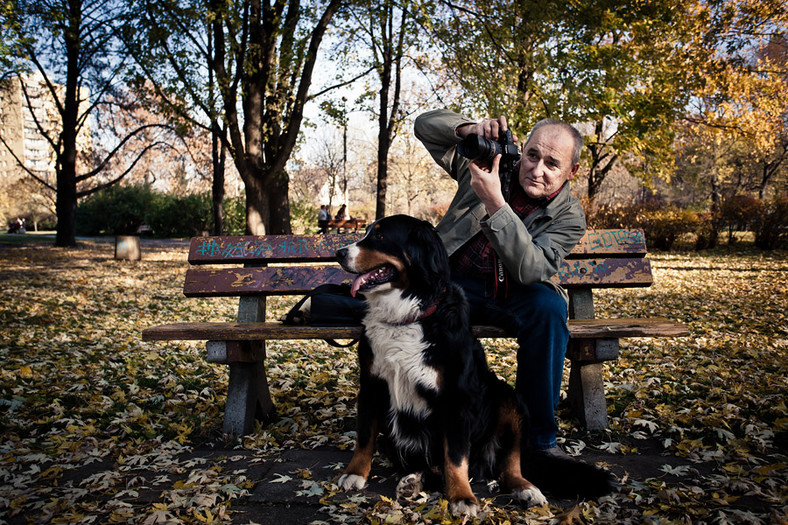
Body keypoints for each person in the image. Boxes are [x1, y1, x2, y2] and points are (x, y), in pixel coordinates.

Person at [414, 109, 586, 460]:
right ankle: (416, 424)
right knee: (394, 302)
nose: (536, 169)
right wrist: (469, 128)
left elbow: (531, 269)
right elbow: (424, 127)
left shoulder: (570, 216)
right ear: (522, 151)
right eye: (532, 155)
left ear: (572, 172)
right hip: (450, 283)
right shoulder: (486, 164)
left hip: (511, 292)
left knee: (550, 309)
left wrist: (495, 202)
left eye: (552, 164)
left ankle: (536, 441)